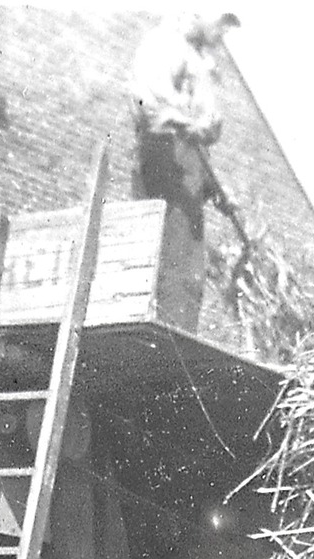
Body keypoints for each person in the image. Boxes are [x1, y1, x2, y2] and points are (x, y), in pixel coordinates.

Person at [129, 11, 240, 331]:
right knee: (173, 268)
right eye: (219, 25)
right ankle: (167, 346)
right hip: (166, 160)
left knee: (189, 271)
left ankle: (177, 338)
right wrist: (191, 125)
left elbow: (194, 139)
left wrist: (213, 188)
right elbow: (149, 105)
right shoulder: (166, 44)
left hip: (186, 164)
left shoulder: (194, 57)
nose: (221, 36)